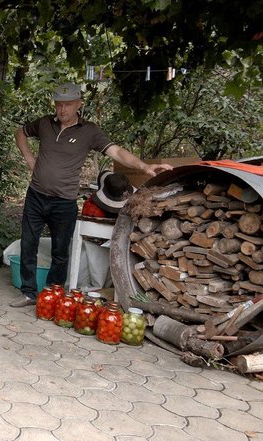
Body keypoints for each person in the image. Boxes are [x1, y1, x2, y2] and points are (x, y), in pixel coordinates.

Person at [10, 83, 173, 307]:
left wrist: (144, 167)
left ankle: (52, 295)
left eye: (67, 105)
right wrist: (29, 158)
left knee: (60, 251)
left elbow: (116, 151)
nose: (62, 110)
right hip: (36, 195)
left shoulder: (90, 132)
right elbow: (20, 133)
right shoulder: (44, 124)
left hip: (64, 201)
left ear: (79, 104)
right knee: (29, 244)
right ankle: (29, 292)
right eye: (58, 104)